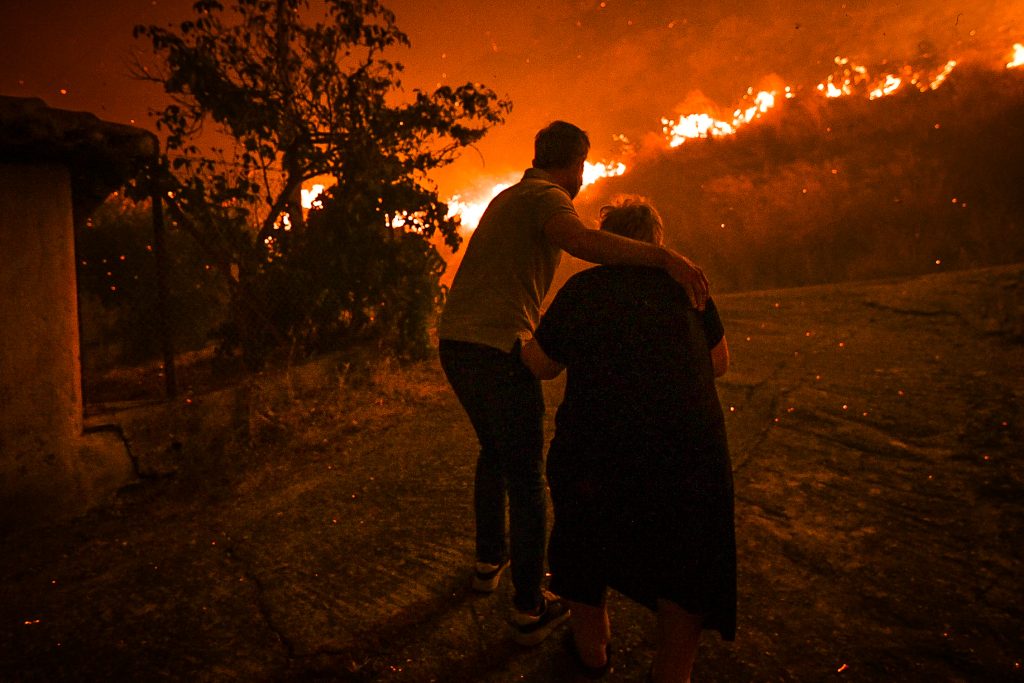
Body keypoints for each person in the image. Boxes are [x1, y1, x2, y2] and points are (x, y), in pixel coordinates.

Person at [438, 121, 710, 647]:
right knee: (526, 476)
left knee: (494, 451)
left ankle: (488, 561)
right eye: (583, 165)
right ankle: (527, 606)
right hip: (497, 346)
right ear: (575, 164)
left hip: (456, 342)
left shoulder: (508, 196)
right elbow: (583, 241)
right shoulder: (547, 197)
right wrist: (666, 257)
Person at [520, 197, 735, 681]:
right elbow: (719, 363)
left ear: (607, 243)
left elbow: (540, 365)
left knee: (583, 544)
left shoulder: (583, 290)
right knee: (686, 562)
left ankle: (592, 653)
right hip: (688, 451)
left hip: (597, 451)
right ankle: (672, 673)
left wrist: (521, 339)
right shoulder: (687, 286)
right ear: (657, 242)